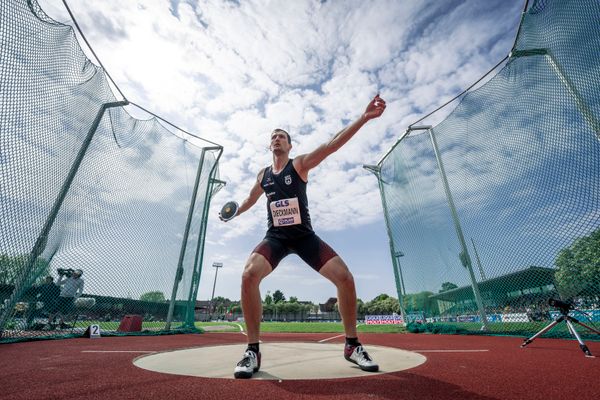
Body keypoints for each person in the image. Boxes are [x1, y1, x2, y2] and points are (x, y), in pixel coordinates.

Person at [221, 94, 386, 379]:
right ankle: (252, 351)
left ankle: (352, 345)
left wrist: (363, 117)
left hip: (304, 237)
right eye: (273, 136)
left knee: (345, 278)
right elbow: (249, 200)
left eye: (282, 136)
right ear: (269, 145)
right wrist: (235, 211)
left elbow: (331, 145)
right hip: (276, 238)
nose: (276, 139)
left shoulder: (298, 165)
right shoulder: (263, 175)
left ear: (290, 145)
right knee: (249, 274)